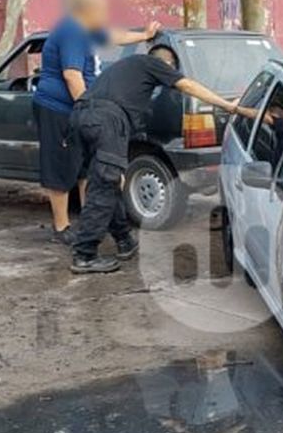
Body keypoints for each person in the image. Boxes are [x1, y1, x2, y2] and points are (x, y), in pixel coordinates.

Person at [69, 44, 257, 274]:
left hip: (82, 116)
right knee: (105, 186)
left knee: (108, 183)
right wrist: (229, 106)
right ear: (167, 64)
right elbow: (187, 85)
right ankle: (84, 255)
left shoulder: (125, 68)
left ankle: (124, 241)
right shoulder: (154, 63)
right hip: (107, 120)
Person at [33, 0, 160, 244]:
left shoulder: (88, 28)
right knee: (60, 167)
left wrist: (144, 36)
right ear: (85, 11)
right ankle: (62, 228)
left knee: (84, 168)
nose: (105, 17)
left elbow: (113, 35)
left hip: (78, 109)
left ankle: (89, 222)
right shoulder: (72, 32)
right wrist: (89, 110)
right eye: (100, 12)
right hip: (59, 109)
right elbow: (72, 75)